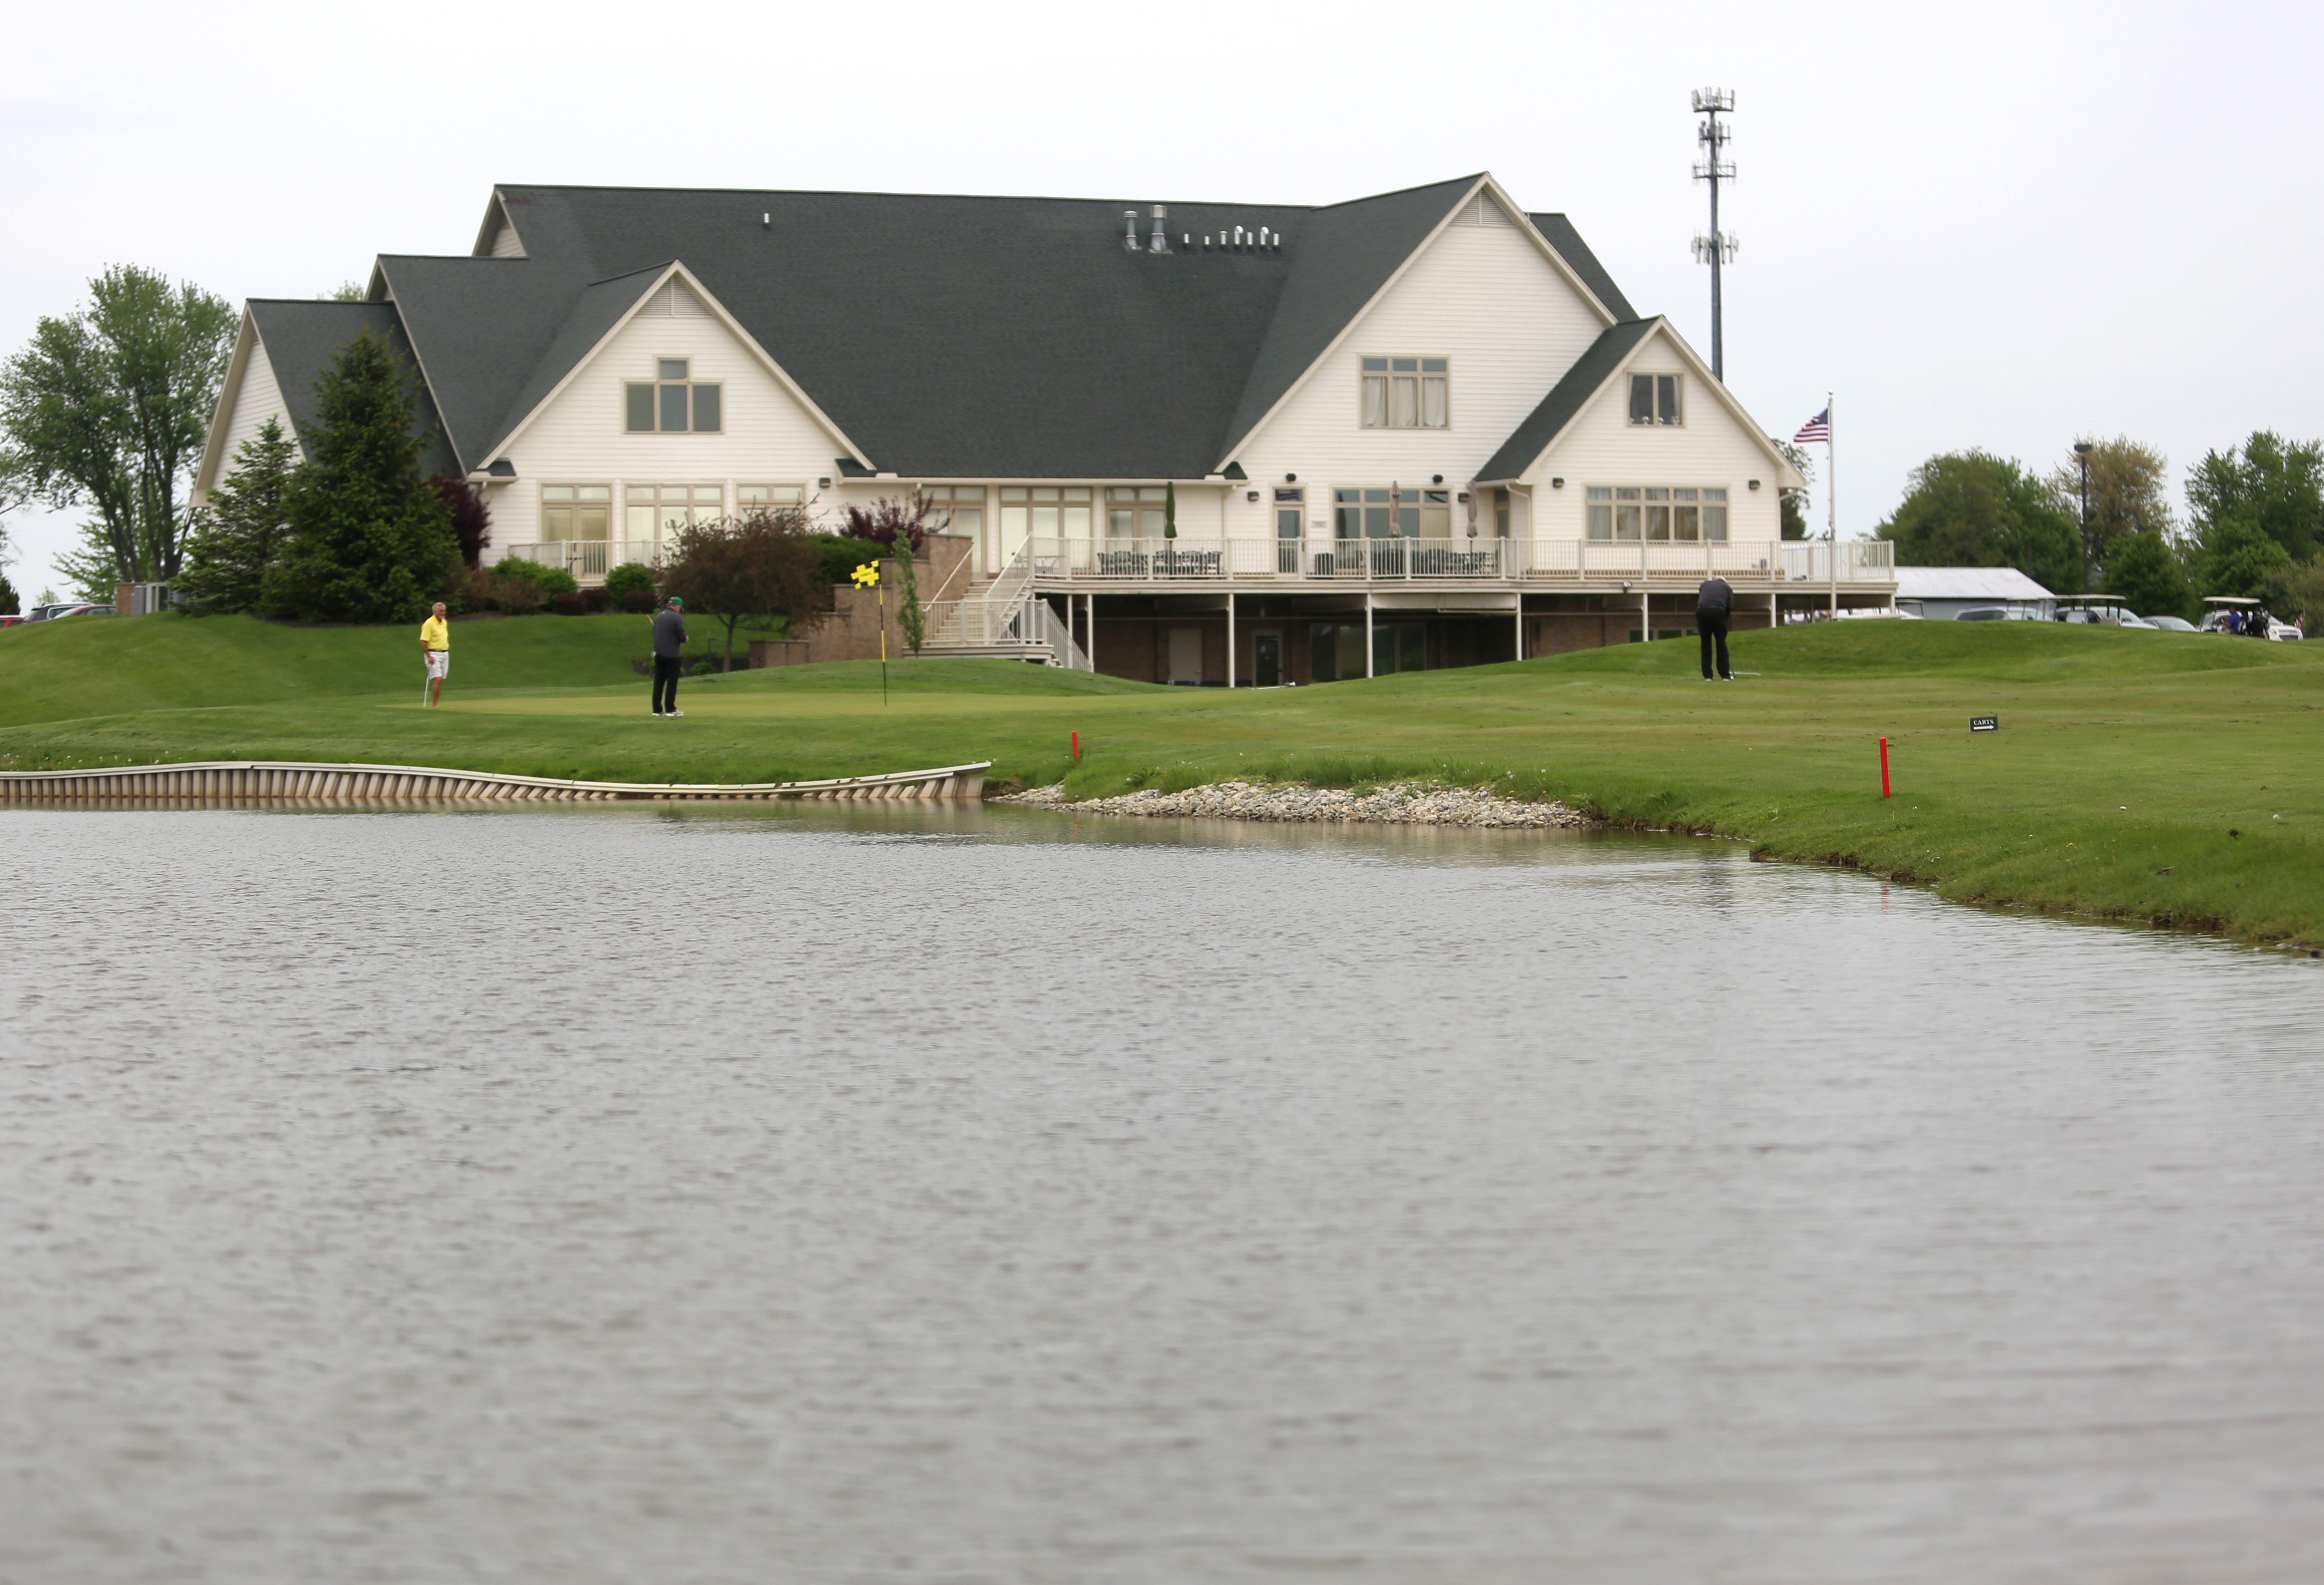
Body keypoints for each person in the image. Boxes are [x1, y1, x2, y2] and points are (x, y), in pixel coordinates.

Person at [652, 596, 687, 717]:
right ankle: (671, 709)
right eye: (680, 608)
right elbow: (682, 637)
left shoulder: (658, 616)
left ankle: (657, 710)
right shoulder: (677, 618)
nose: (679, 610)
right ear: (677, 607)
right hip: (672, 655)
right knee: (672, 682)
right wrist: (686, 639)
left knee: (659, 682)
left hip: (659, 654)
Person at [1695, 574, 1734, 681]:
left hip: (1701, 612)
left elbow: (1703, 598)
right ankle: (1725, 675)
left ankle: (1708, 676)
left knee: (1706, 644)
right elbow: (1729, 608)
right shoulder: (1727, 588)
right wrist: (1724, 623)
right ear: (1724, 582)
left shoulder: (1704, 585)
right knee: (1721, 643)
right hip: (1718, 612)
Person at [419, 601, 451, 707]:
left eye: (444, 611)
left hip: (444, 653)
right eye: (441, 611)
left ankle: (436, 703)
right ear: (435, 612)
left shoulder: (444, 622)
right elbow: (423, 640)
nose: (443, 613)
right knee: (438, 678)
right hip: (433, 654)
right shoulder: (429, 623)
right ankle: (435, 705)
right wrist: (428, 656)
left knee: (441, 678)